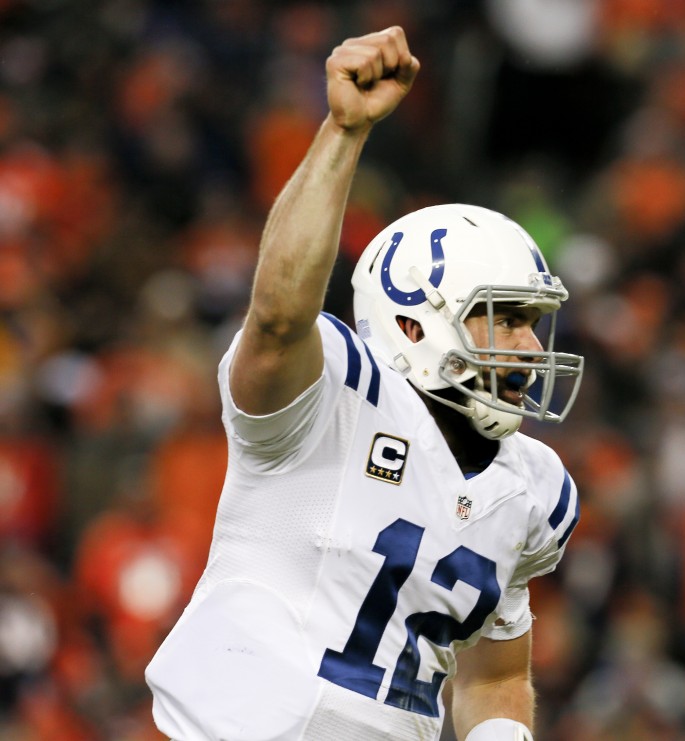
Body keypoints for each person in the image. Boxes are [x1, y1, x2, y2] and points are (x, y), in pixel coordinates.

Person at [145, 26, 584, 741]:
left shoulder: (532, 488)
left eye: (534, 321)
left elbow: (496, 674)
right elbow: (280, 314)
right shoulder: (330, 398)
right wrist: (344, 133)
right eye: (504, 319)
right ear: (414, 324)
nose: (530, 347)